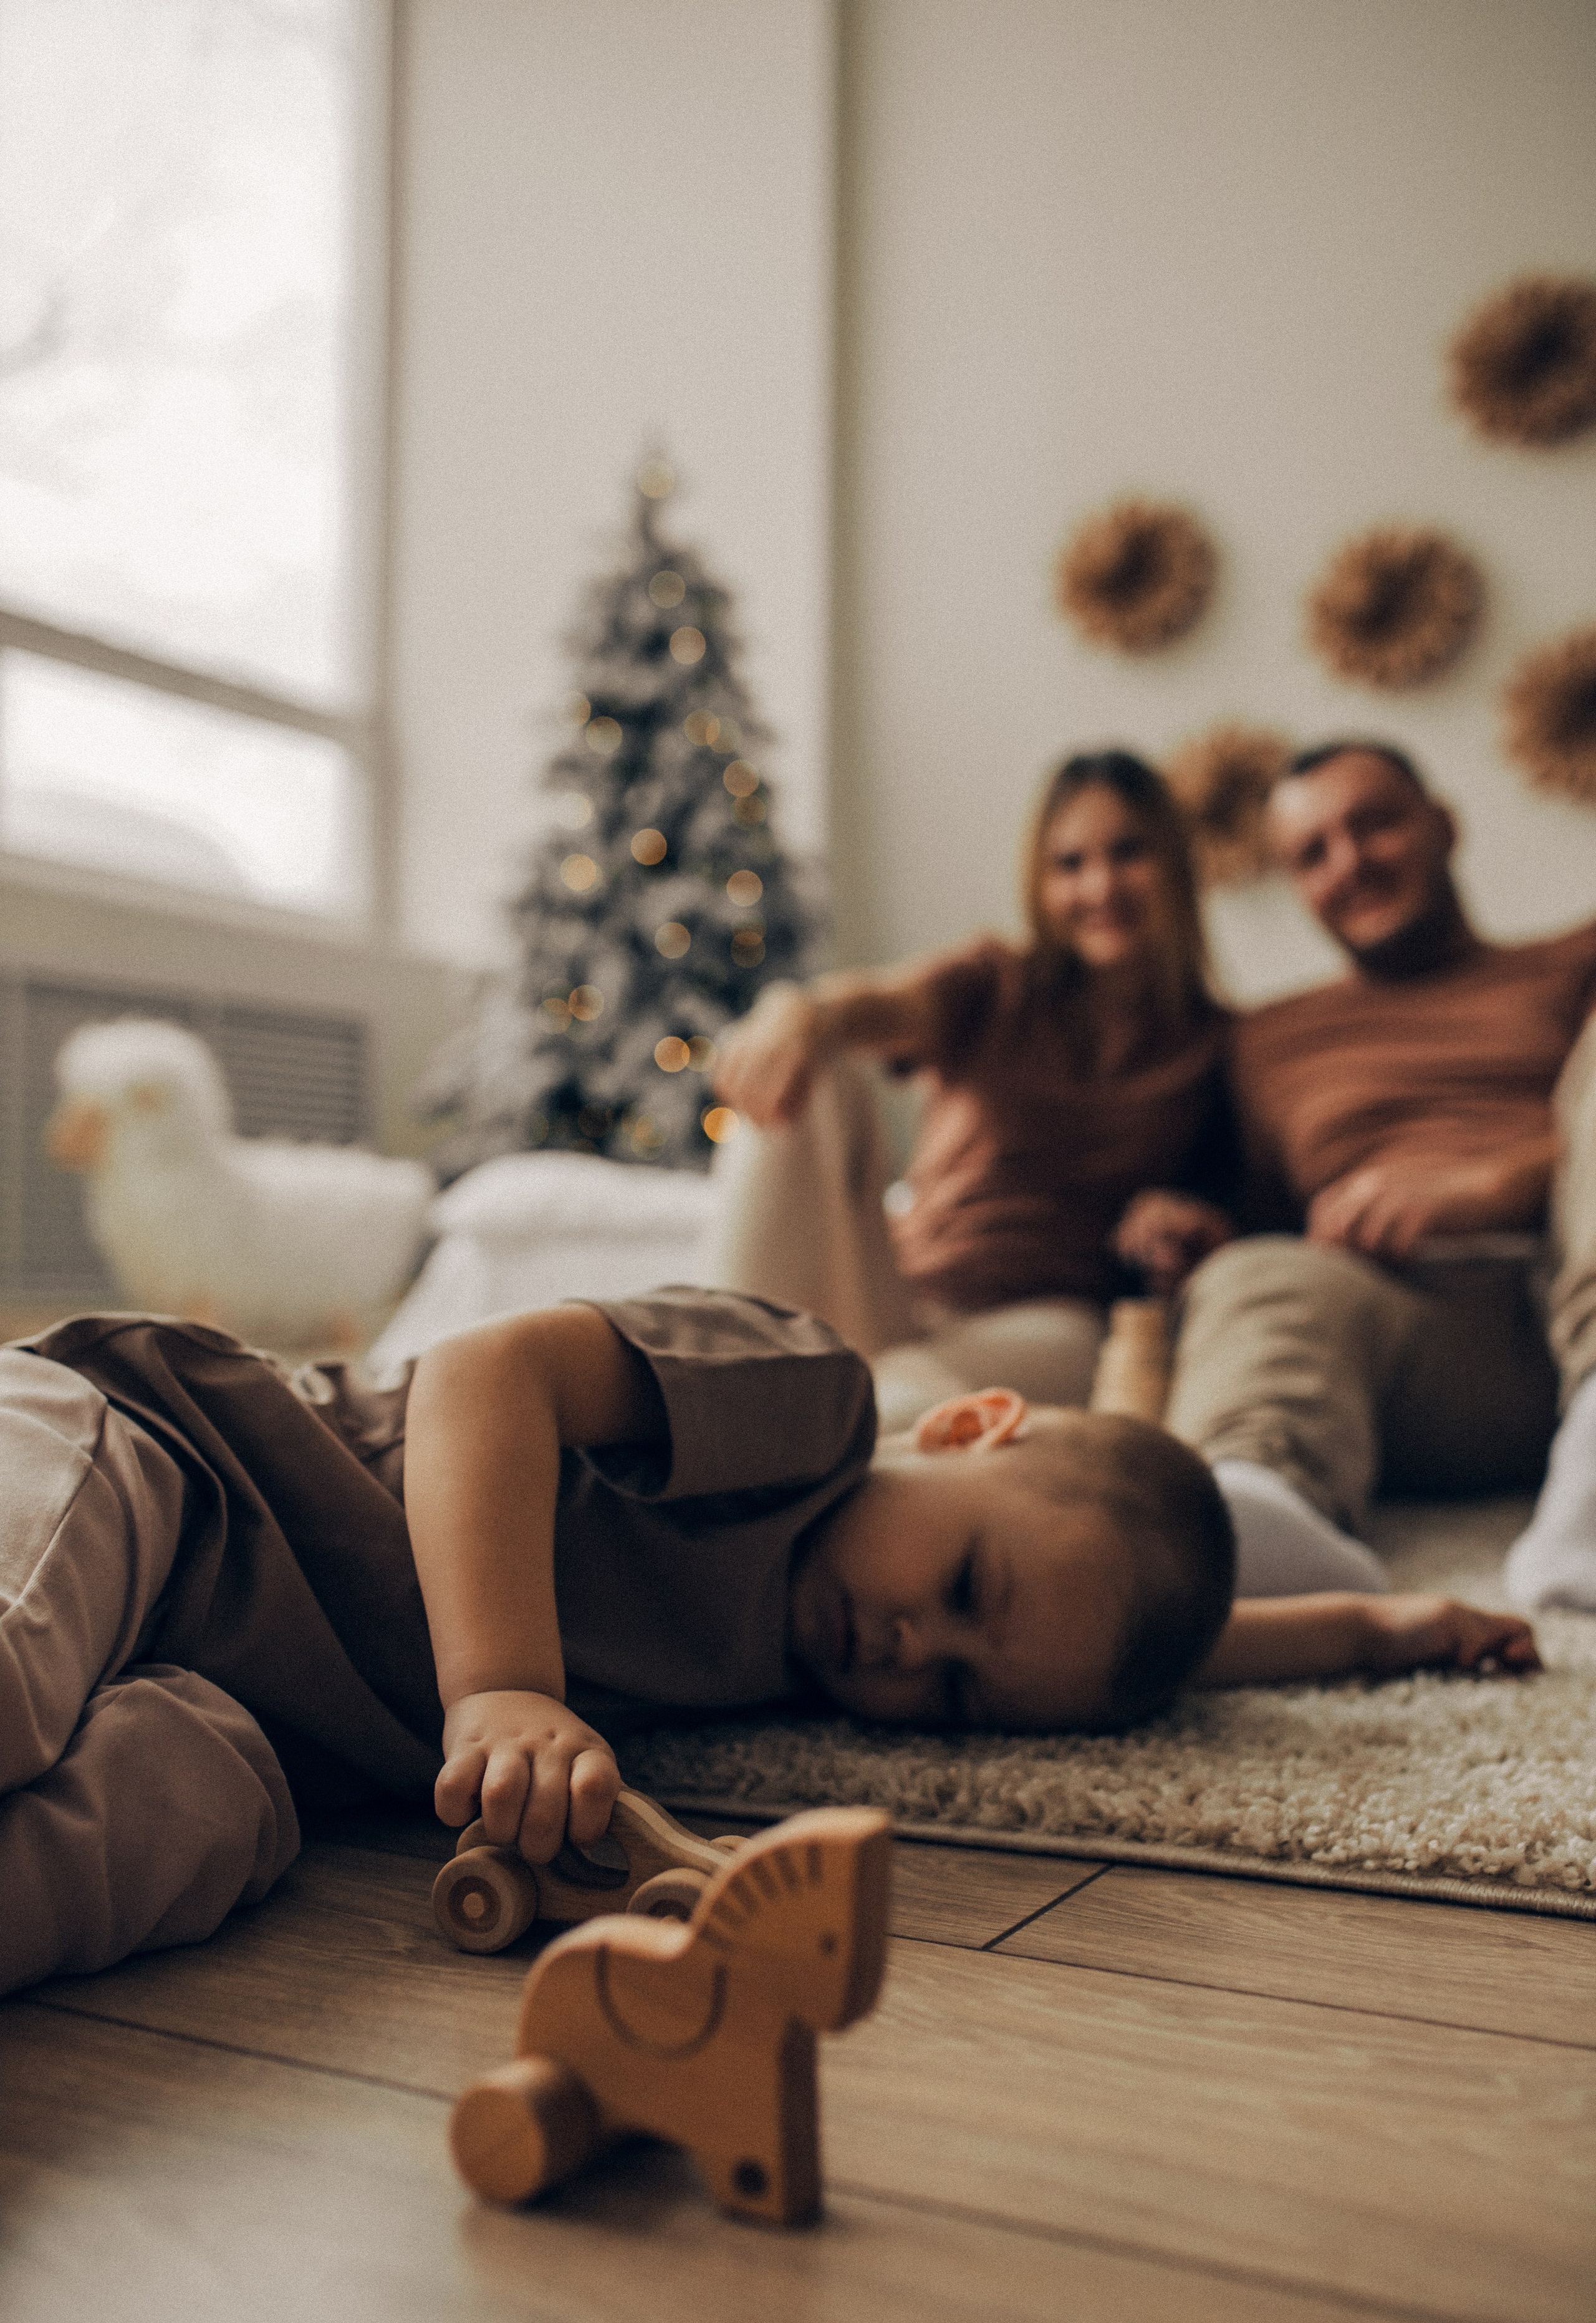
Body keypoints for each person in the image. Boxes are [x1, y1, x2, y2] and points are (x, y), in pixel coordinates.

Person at [0, 1291, 1535, 1996]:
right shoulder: (803, 1403)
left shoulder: (886, 1649)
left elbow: (1122, 1653)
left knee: (147, 1845)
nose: (908, 1646)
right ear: (968, 1426)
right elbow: (484, 1373)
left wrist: (1374, 1627)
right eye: (961, 1584)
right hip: (167, 1467)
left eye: (953, 1693)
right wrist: (505, 1685)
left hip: (259, 1719)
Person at [1162, 739, 1596, 1604]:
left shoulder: (1572, 962)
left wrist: (1496, 1183)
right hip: (1413, 1339)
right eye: (1312, 854)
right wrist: (1184, 1225)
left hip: (1563, 1273)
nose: (1349, 863)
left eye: (1375, 825)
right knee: (1256, 1272)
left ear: (1444, 826)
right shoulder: (1263, 1040)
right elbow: (1257, 1220)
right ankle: (1260, 1512)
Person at [706, 751, 1236, 1428]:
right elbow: (887, 1003)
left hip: (1052, 1320)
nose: (1100, 887)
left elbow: (1237, 1205)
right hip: (903, 1293)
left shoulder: (1217, 1045)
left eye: (1128, 853)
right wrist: (801, 1013)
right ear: (1039, 882)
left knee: (899, 1393)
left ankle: (810, 1420)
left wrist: (1187, 1221)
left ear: (1176, 865)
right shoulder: (997, 983)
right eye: (1070, 864)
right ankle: (711, 1380)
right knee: (819, 1072)